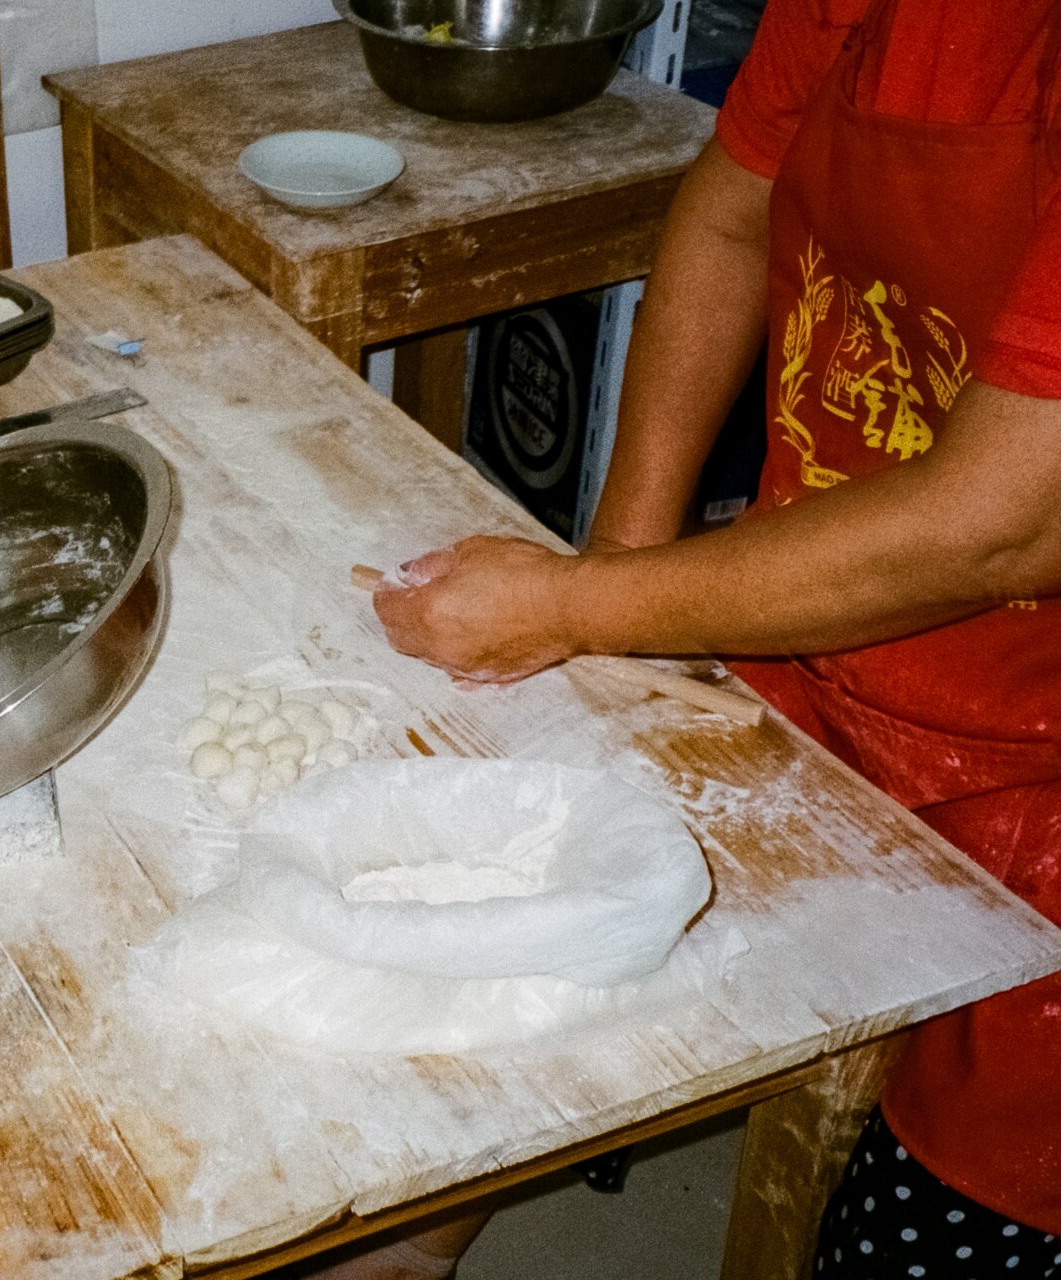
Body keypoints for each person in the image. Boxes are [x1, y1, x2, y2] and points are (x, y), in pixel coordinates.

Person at [362, 0, 1061, 1274]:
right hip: (800, 622)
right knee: (552, 910)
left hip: (1039, 746)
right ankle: (413, 1242)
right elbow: (733, 215)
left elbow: (1005, 522)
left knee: (923, 1229)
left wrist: (572, 606)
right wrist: (618, 585)